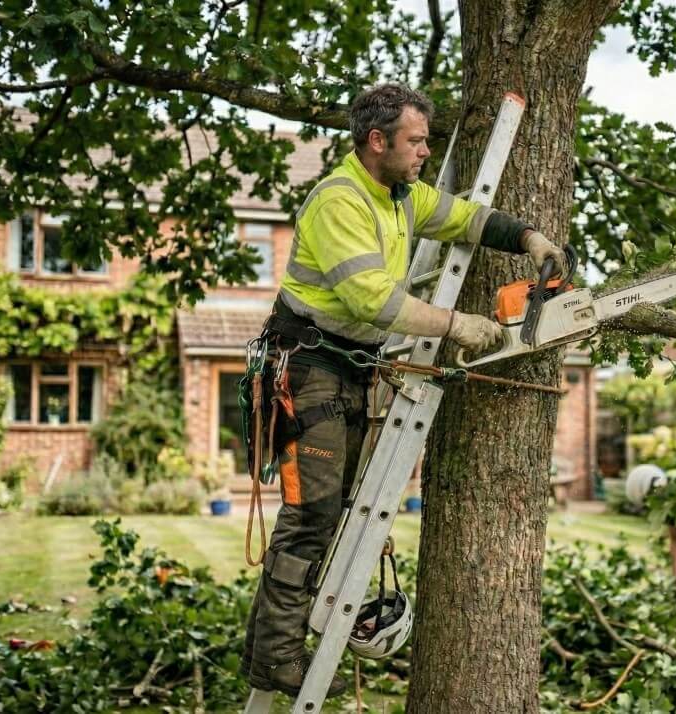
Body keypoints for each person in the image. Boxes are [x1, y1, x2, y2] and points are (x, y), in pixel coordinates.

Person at [241, 82, 567, 696]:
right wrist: (455, 324)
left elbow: (463, 217)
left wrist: (529, 237)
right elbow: (370, 297)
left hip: (347, 366)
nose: (423, 152)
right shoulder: (340, 200)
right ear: (376, 140)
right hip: (308, 369)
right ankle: (277, 657)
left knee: (328, 510)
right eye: (415, 142)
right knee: (310, 514)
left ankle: (265, 650)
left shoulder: (401, 196)